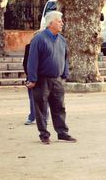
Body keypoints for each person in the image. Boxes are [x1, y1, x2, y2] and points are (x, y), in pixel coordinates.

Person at [26, 11, 76, 144]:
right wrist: (32, 79)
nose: (62, 23)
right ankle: (44, 135)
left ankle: (62, 133)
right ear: (51, 23)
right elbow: (32, 60)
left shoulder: (62, 40)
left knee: (59, 107)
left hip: (57, 79)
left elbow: (65, 58)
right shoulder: (39, 39)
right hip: (42, 79)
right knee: (41, 108)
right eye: (59, 21)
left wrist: (64, 74)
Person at [23, 38, 50, 125]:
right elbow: (26, 62)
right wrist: (30, 75)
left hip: (44, 75)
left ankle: (45, 117)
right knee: (32, 98)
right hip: (32, 76)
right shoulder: (29, 47)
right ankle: (32, 116)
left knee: (45, 98)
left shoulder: (47, 46)